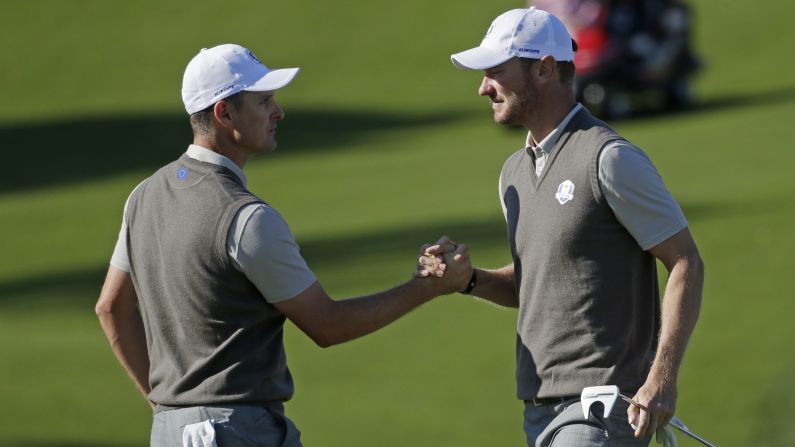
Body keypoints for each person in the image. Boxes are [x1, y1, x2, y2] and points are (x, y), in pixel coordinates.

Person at [94, 43, 469, 447]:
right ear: (224, 113)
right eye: (264, 101)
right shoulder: (247, 219)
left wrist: (164, 405)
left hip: (169, 432)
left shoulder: (142, 197)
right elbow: (328, 325)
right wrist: (427, 286)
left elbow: (110, 307)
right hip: (236, 431)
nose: (279, 112)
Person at [417, 7, 704, 446]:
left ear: (544, 70)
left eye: (495, 72)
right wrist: (470, 280)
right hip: (539, 414)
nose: (482, 87)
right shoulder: (513, 173)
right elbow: (540, 282)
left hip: (601, 411)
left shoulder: (609, 158)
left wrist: (662, 378)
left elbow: (685, 261)